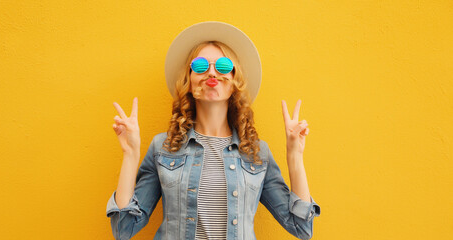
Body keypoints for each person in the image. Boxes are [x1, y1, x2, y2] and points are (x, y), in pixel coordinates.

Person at [106, 21, 321, 240]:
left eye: (223, 66)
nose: (212, 73)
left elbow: (301, 227)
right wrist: (130, 154)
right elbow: (124, 228)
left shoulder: (257, 154)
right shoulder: (163, 148)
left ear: (234, 80)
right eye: (200, 66)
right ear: (189, 80)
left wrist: (295, 156)